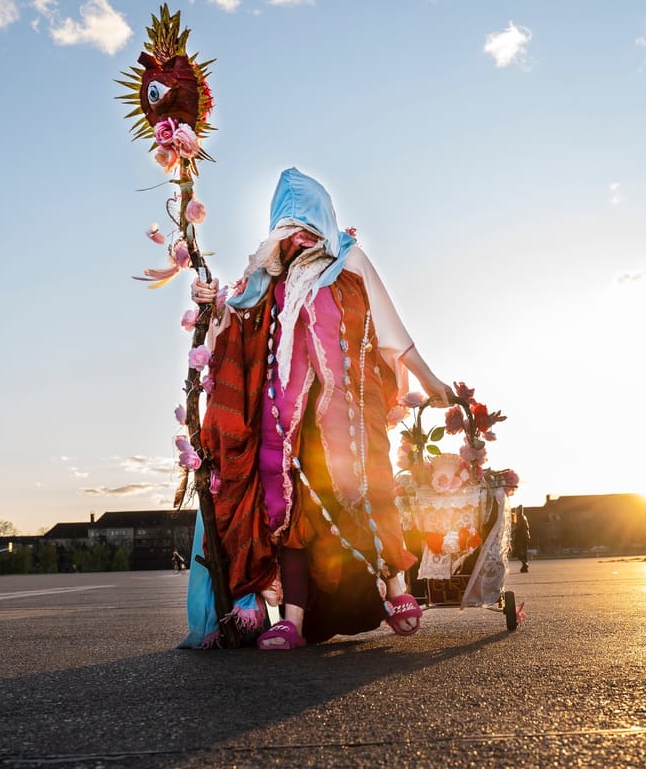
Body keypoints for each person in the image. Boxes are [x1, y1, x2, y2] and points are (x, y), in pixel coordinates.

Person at [181, 168, 451, 651]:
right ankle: (293, 622)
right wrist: (211, 303)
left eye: (307, 228)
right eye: (288, 232)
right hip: (288, 425)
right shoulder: (270, 279)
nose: (298, 241)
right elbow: (233, 318)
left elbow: (391, 328)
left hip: (351, 416)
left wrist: (430, 381)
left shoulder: (350, 263)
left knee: (369, 492)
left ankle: (395, 590)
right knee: (290, 518)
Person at [513, 505, 531, 573]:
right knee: (524, 552)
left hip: (521, 537)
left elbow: (518, 527)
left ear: (519, 511)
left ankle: (525, 564)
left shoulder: (520, 517)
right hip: (525, 536)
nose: (515, 512)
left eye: (516, 510)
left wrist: (511, 532)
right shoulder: (524, 517)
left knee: (518, 551)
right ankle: (524, 567)